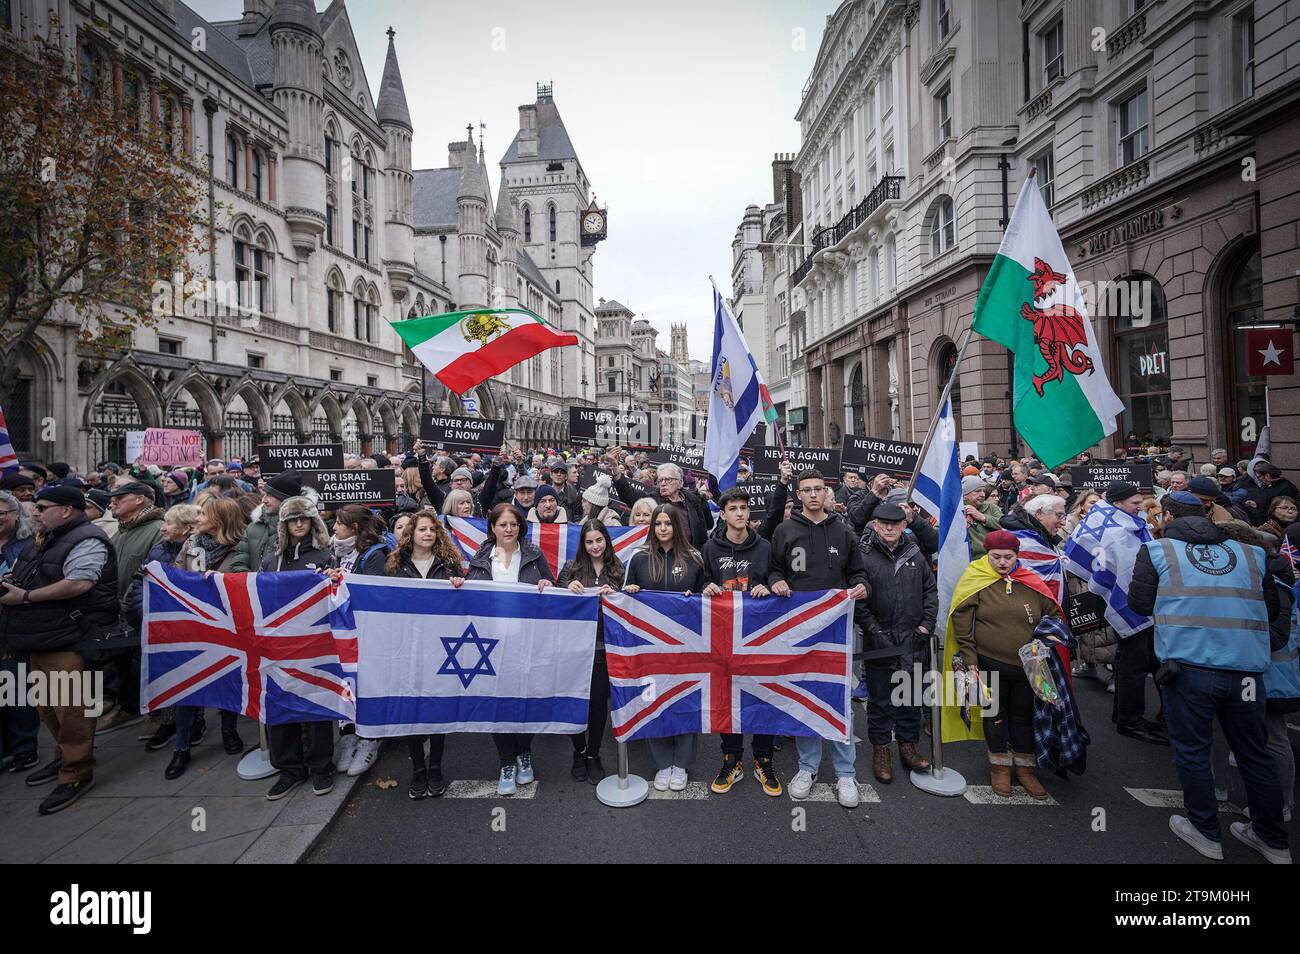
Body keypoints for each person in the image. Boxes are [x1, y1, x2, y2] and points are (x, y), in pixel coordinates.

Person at [1128, 494, 1290, 864]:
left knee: (1193, 751)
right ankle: (1274, 840)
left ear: (1167, 516)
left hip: (1188, 667)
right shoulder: (1253, 553)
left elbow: (1139, 604)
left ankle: (1205, 831)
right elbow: (1272, 607)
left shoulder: (1158, 550)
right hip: (1245, 667)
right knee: (1255, 753)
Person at [0, 486, 119, 814]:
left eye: (42, 506)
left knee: (73, 709)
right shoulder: (47, 537)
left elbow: (79, 582)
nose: (34, 512)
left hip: (70, 637)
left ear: (66, 509)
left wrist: (24, 598)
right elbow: (35, 573)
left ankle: (77, 771)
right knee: (48, 706)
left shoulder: (87, 539)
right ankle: (62, 757)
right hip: (40, 636)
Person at [767, 470, 869, 808]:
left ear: (826, 493)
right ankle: (807, 767)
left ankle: (845, 773)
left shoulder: (843, 531)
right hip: (798, 630)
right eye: (807, 490)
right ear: (798, 495)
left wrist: (861, 585)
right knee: (805, 696)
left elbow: (858, 571)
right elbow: (774, 569)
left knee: (837, 698)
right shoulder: (784, 531)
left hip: (835, 628)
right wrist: (777, 581)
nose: (813, 495)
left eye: (818, 489)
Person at [948, 530, 1062, 799]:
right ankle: (999, 766)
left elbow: (1054, 616)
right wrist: (970, 659)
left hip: (1028, 666)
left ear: (1017, 556)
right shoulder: (976, 580)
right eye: (995, 557)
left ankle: (1025, 769)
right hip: (989, 662)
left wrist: (1043, 644)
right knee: (995, 714)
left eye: (1007, 557)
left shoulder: (1031, 581)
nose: (1001, 562)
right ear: (987, 555)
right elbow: (962, 623)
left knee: (1023, 715)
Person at [464, 503, 553, 795]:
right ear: (492, 527)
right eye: (503, 524)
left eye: (513, 525)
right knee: (498, 704)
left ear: (520, 528)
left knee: (522, 700)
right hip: (490, 645)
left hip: (525, 642)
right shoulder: (480, 558)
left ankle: (524, 754)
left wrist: (545, 584)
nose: (508, 529)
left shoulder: (533, 555)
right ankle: (506, 762)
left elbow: (551, 586)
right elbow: (469, 597)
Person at [701, 487, 781, 796]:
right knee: (727, 696)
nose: (739, 513)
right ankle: (731, 758)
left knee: (761, 695)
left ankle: (763, 759)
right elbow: (702, 579)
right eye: (732, 508)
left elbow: (777, 573)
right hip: (723, 637)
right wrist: (706, 585)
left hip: (759, 636)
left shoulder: (764, 547)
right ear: (722, 514)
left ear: (749, 513)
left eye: (743, 508)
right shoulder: (710, 548)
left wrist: (770, 585)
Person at [383, 508, 466, 798]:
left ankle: (436, 768)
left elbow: (463, 603)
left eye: (433, 529)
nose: (428, 533)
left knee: (437, 709)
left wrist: (459, 586)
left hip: (440, 647)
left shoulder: (449, 564)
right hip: (407, 646)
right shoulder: (394, 565)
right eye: (422, 529)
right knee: (413, 709)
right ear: (411, 534)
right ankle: (418, 768)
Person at [623, 503, 707, 791]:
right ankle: (662, 764)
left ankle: (681, 763)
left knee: (684, 701)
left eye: (667, 523)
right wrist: (630, 591)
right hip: (650, 647)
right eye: (657, 523)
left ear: (676, 526)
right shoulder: (638, 557)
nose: (662, 529)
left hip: (687, 645)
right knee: (654, 701)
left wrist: (696, 595)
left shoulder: (695, 557)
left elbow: (707, 597)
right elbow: (624, 601)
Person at [163, 498, 247, 778]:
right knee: (188, 686)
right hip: (193, 625)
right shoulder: (192, 545)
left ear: (221, 519)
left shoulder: (240, 548)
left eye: (204, 514)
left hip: (227, 626)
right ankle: (182, 746)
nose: (197, 518)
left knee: (228, 679)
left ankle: (229, 730)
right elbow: (177, 577)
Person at [855, 501, 937, 784]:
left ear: (904, 525)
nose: (889, 528)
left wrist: (926, 625)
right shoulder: (863, 555)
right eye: (884, 523)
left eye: (896, 523)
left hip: (912, 640)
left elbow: (930, 591)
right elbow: (859, 600)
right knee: (879, 701)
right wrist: (873, 631)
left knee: (911, 698)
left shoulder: (915, 552)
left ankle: (908, 747)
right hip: (879, 641)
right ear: (875, 525)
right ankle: (881, 752)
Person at [260, 495, 334, 800]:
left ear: (313, 521)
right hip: (279, 644)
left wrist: (334, 579)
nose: (299, 524)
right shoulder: (271, 560)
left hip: (315, 642)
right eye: (292, 519)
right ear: (284, 524)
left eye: (304, 518)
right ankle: (289, 768)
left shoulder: (326, 556)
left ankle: (321, 766)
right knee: (280, 705)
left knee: (316, 705)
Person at [556, 519, 624, 785]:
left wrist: (616, 594)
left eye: (599, 540)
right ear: (582, 545)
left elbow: (630, 602)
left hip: (603, 647)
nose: (595, 546)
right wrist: (565, 588)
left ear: (606, 540)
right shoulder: (570, 569)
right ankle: (579, 751)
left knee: (598, 703)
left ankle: (594, 754)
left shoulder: (618, 569)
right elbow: (554, 602)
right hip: (574, 648)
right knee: (575, 702)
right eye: (589, 542)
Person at [101, 480, 164, 733]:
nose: (112, 502)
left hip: (140, 612)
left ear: (140, 499)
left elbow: (151, 572)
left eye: (120, 497)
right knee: (122, 663)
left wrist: (128, 602)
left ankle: (157, 714)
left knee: (146, 663)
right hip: (118, 612)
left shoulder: (158, 530)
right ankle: (129, 707)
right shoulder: (122, 531)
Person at [0, 491, 39, 773]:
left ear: (16, 515)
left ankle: (25, 748)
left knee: (15, 692)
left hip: (17, 626)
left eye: (2, 512)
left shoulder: (29, 545)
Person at [613, 461, 713, 550]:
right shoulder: (652, 501)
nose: (663, 483)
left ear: (680, 483)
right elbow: (629, 495)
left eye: (668, 479)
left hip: (691, 560)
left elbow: (708, 526)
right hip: (663, 560)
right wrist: (615, 469)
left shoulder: (694, 501)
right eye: (661, 480)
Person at [230, 472, 301, 572]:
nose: (264, 500)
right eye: (264, 494)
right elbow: (238, 564)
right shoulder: (253, 527)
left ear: (285, 499)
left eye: (269, 495)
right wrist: (255, 583)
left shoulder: (301, 528)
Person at [962, 476, 1002, 557]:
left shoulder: (991, 507)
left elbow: (1004, 525)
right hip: (965, 559)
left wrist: (983, 517)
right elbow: (940, 532)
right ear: (965, 495)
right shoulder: (956, 510)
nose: (983, 494)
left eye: (984, 491)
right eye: (977, 491)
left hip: (992, 558)